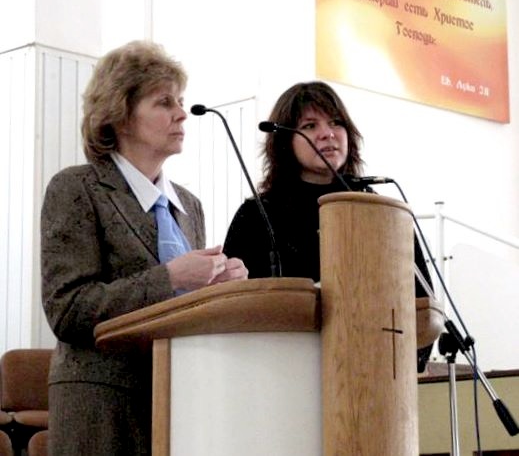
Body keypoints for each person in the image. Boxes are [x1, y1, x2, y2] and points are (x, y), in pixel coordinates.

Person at [40, 40, 248, 456]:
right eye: (164, 102)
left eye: (181, 101)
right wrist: (171, 278)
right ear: (120, 114)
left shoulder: (189, 205)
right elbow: (68, 309)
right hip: (102, 408)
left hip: (181, 400)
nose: (181, 114)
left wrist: (217, 288)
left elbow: (183, 308)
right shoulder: (77, 188)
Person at [223, 80, 433, 371]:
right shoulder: (258, 214)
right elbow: (233, 305)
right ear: (285, 141)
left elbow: (421, 302)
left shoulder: (381, 212)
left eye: (336, 123)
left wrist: (403, 363)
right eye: (310, 126)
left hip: (375, 370)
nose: (327, 134)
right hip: (283, 370)